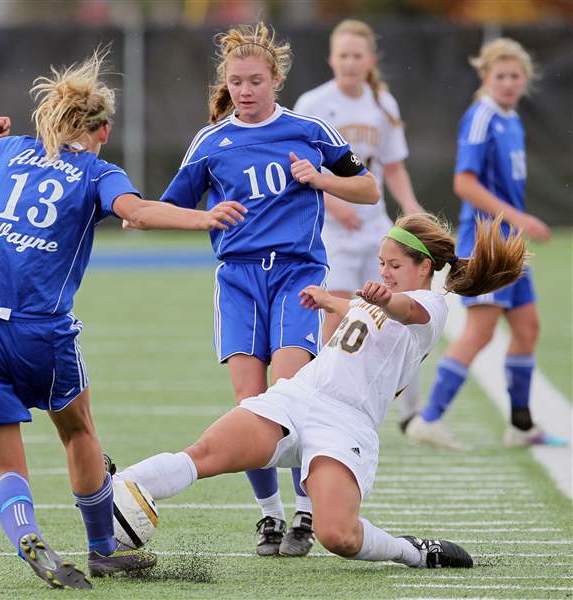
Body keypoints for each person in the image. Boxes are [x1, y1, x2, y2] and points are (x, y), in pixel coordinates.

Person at [0, 49, 245, 589]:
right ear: (100, 129)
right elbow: (138, 212)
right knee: (78, 431)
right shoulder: (98, 170)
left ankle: (28, 535)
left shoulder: (5, 151)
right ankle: (101, 547)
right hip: (39, 328)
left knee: (5, 464)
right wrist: (203, 216)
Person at [113, 213, 526, 570]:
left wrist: (383, 299)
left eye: (394, 265)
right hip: (297, 397)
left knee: (338, 536)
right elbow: (363, 313)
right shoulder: (380, 298)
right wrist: (330, 300)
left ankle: (412, 552)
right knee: (204, 453)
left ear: (424, 268)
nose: (384, 272)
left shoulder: (430, 307)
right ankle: (114, 489)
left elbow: (403, 311)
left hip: (345, 425)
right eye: (381, 263)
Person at [157, 22, 379, 557]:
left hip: (297, 275)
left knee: (291, 393)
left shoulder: (309, 130)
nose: (246, 91)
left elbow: (368, 188)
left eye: (255, 80)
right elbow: (165, 207)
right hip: (237, 279)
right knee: (250, 404)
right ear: (226, 84)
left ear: (276, 79)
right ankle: (270, 517)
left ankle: (306, 513)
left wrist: (321, 179)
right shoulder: (211, 142)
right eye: (236, 82)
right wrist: (205, 215)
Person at [405, 38, 564, 450]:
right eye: (501, 76)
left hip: (509, 244)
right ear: (485, 76)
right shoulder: (481, 117)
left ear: (525, 80)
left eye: (515, 76)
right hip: (486, 243)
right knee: (479, 332)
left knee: (527, 329)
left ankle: (521, 425)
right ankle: (429, 418)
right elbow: (464, 183)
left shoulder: (511, 119)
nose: (509, 83)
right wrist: (518, 217)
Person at [293, 19, 424, 430]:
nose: (350, 63)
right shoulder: (313, 103)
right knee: (339, 312)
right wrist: (333, 201)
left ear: (370, 60)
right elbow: (300, 167)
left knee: (401, 313)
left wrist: (411, 207)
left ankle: (411, 412)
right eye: (343, 55)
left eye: (357, 55)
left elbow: (394, 167)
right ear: (332, 58)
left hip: (375, 228)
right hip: (334, 230)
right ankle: (317, 399)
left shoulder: (383, 104)